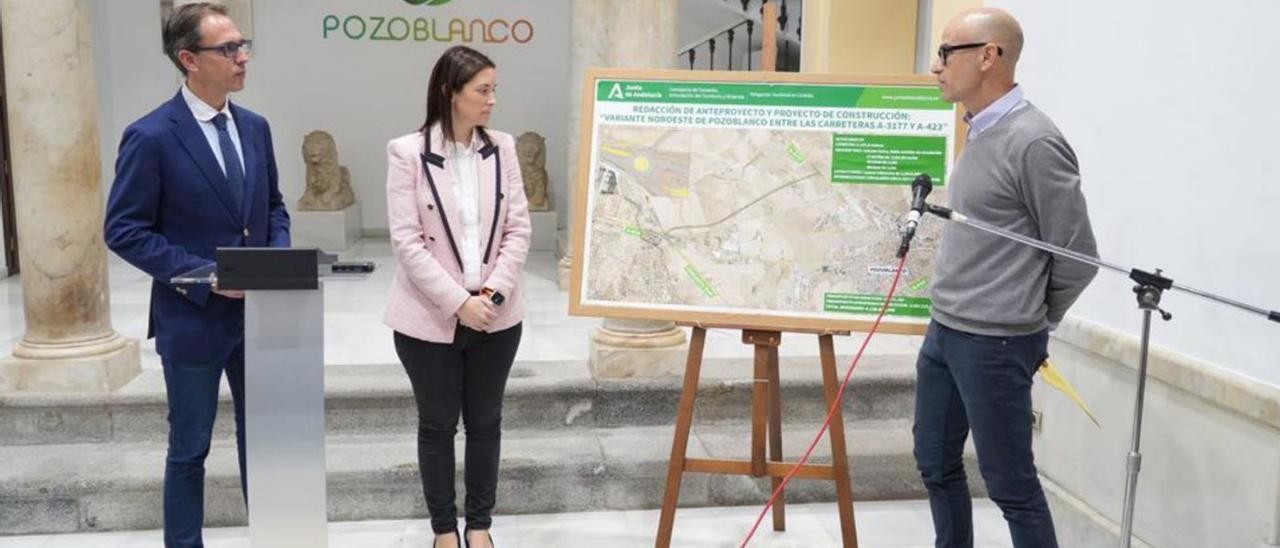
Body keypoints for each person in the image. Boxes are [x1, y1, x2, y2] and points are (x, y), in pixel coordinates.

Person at [103, 3, 288, 547]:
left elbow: (274, 207)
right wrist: (206, 275)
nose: (242, 57)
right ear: (189, 59)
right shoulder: (152, 135)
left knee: (266, 442)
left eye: (243, 45)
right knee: (190, 447)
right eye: (228, 49)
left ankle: (275, 536)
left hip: (262, 317)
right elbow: (125, 230)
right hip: (193, 318)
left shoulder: (255, 128)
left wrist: (274, 260)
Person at [914, 8, 1098, 548]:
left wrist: (1032, 318)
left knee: (1011, 485)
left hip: (996, 342)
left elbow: (1077, 255)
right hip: (945, 331)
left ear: (989, 56)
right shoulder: (981, 129)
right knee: (934, 463)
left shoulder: (1034, 141)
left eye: (947, 52)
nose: (936, 66)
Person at [383, 45, 531, 548]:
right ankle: (445, 530)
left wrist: (492, 293)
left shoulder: (502, 147)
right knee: (438, 425)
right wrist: (458, 302)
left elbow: (518, 228)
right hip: (429, 318)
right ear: (450, 93)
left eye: (495, 90)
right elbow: (406, 242)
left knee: (486, 422)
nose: (492, 101)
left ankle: (481, 525)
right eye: (482, 91)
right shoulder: (407, 152)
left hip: (496, 314)